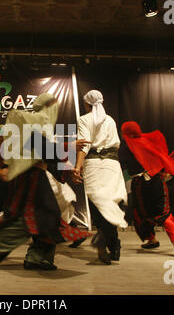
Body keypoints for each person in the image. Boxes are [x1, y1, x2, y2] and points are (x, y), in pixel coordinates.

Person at [0, 93, 91, 270]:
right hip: (32, 178)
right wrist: (68, 149)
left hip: (30, 177)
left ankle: (31, 256)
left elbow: (45, 153)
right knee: (39, 218)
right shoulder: (33, 124)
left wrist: (68, 168)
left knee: (41, 219)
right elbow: (41, 149)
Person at [72, 90, 128, 265]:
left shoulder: (84, 119)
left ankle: (104, 239)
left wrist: (78, 167)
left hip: (94, 165)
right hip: (112, 164)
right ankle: (113, 243)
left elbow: (85, 145)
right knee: (109, 203)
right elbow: (117, 145)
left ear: (86, 104)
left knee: (98, 205)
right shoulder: (110, 120)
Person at [119, 121, 174, 257]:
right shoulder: (148, 141)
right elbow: (161, 155)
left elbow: (122, 165)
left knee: (140, 214)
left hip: (139, 185)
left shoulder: (126, 146)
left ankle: (151, 239)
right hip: (156, 182)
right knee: (165, 213)